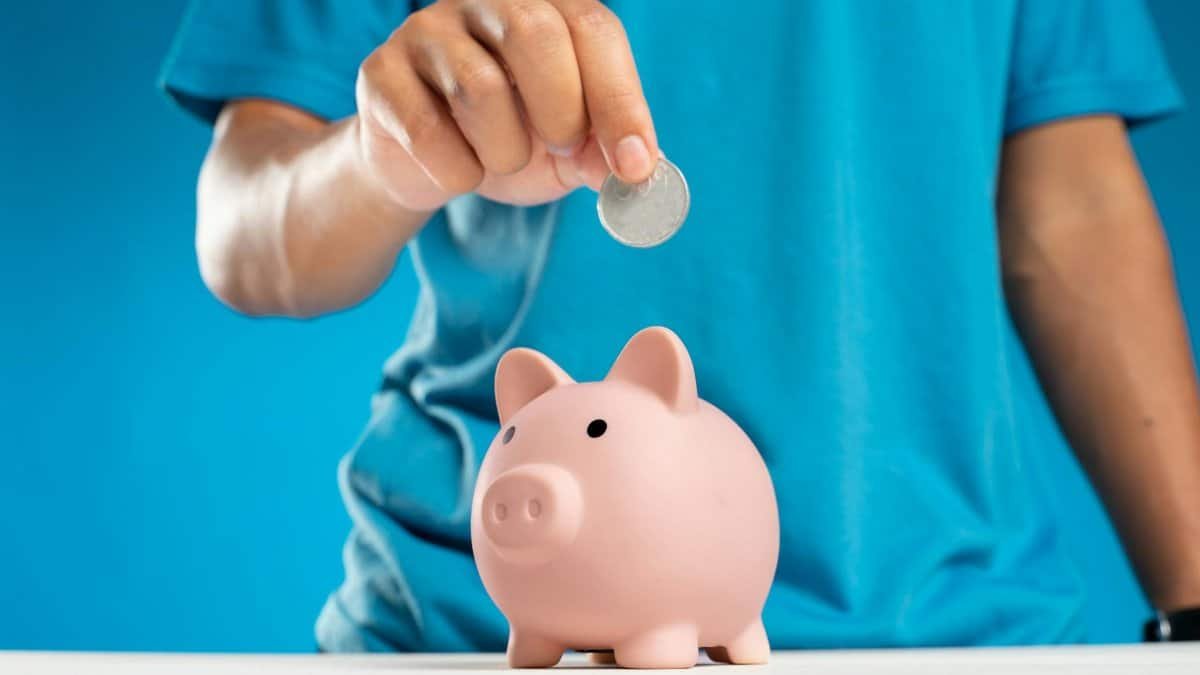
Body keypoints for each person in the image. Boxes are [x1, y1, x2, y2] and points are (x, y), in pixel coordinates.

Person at [161, 0, 1200, 651]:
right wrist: (383, 161)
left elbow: (1074, 213)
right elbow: (244, 233)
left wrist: (1193, 599)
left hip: (958, 621)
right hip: (472, 621)